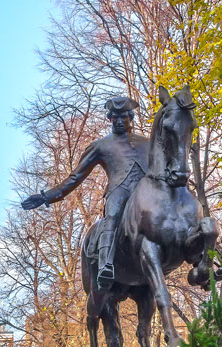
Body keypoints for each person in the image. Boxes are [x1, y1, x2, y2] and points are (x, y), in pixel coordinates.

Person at [21, 96, 148, 289]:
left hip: (146, 191)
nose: (120, 121)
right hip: (119, 190)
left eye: (124, 117)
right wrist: (46, 196)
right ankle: (106, 263)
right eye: (115, 118)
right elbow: (75, 177)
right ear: (110, 119)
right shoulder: (100, 146)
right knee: (112, 215)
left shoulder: (148, 143)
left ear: (131, 117)